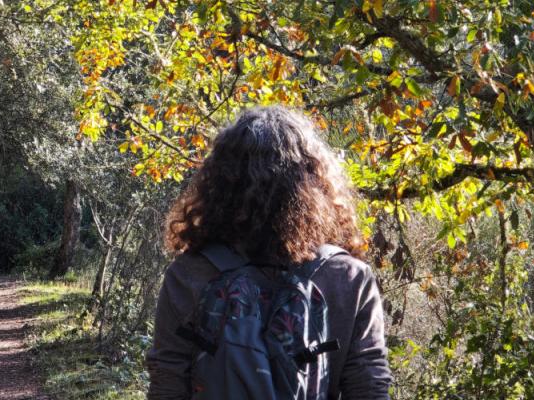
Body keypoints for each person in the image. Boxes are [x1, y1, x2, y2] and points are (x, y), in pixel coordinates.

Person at [145, 106, 393, 399]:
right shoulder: (347, 278)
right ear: (315, 181)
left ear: (220, 182)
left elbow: (167, 386)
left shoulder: (189, 275)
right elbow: (369, 388)